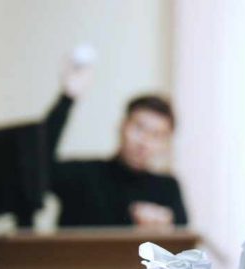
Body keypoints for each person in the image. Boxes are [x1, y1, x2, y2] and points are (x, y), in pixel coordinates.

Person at [45, 60, 188, 228]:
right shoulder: (81, 175)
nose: (145, 142)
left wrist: (165, 229)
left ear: (165, 144)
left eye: (156, 135)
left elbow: (183, 248)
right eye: (139, 128)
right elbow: (35, 168)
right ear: (122, 126)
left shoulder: (168, 189)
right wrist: (67, 99)